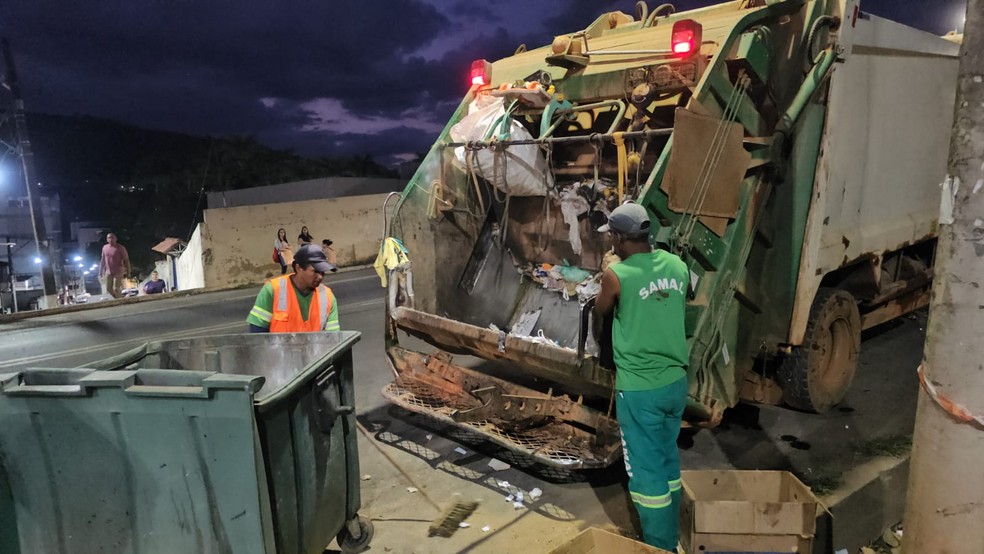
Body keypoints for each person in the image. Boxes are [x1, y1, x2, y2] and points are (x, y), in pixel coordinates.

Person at [593, 202, 689, 552]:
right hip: (675, 384)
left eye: (611, 237)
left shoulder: (618, 275)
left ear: (620, 238)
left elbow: (600, 312)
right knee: (666, 459)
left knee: (646, 475)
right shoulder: (677, 266)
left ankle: (661, 546)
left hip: (640, 390)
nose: (610, 243)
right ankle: (676, 532)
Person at [247, 244, 339, 333]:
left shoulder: (328, 297)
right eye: (316, 271)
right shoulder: (272, 290)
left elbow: (334, 338)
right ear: (298, 268)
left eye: (322, 272)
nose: (320, 277)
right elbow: (258, 335)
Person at [99, 232, 131, 299]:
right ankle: (118, 298)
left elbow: (126, 260)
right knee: (108, 288)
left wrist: (128, 271)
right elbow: (103, 259)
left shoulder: (120, 248)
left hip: (118, 270)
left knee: (116, 288)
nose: (111, 239)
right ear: (107, 239)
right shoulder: (105, 247)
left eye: (112, 238)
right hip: (108, 271)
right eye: (109, 238)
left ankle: (119, 300)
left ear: (116, 239)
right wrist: (100, 271)